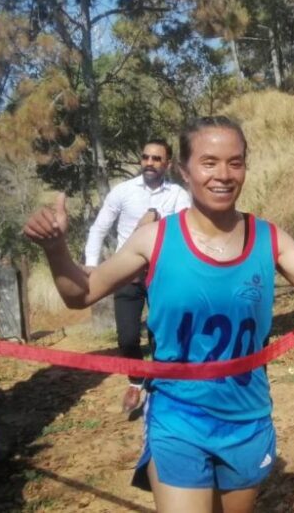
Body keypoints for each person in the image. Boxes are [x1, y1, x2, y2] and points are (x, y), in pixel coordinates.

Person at [24, 116, 294, 512]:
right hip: (177, 415)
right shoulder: (154, 239)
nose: (223, 175)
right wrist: (55, 249)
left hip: (246, 416)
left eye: (235, 162)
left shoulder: (269, 239)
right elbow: (81, 294)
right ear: (184, 171)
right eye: (209, 162)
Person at [84, 140, 191, 413]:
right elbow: (99, 228)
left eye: (156, 158)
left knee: (161, 334)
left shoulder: (178, 195)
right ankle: (136, 380)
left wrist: (157, 220)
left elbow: (185, 231)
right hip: (127, 274)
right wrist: (91, 265)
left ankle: (160, 386)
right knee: (127, 338)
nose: (149, 163)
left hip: (162, 274)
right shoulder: (123, 191)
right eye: (145, 157)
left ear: (167, 163)